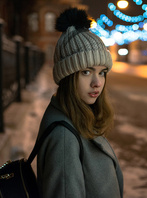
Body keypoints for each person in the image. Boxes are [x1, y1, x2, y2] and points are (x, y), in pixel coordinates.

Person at [36, 8, 123, 198]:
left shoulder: (80, 116)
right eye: (86, 71)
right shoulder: (65, 138)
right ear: (67, 76)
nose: (97, 82)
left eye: (101, 72)